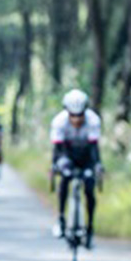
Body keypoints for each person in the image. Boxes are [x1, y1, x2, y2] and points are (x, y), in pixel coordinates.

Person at [50, 90, 102, 249]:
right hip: (66, 154)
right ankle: (61, 219)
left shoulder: (93, 120)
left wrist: (97, 166)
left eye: (80, 115)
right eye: (73, 115)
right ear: (67, 112)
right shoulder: (59, 121)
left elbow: (94, 148)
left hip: (86, 156)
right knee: (65, 179)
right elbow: (57, 149)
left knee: (89, 187)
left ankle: (90, 228)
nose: (76, 119)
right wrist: (57, 166)